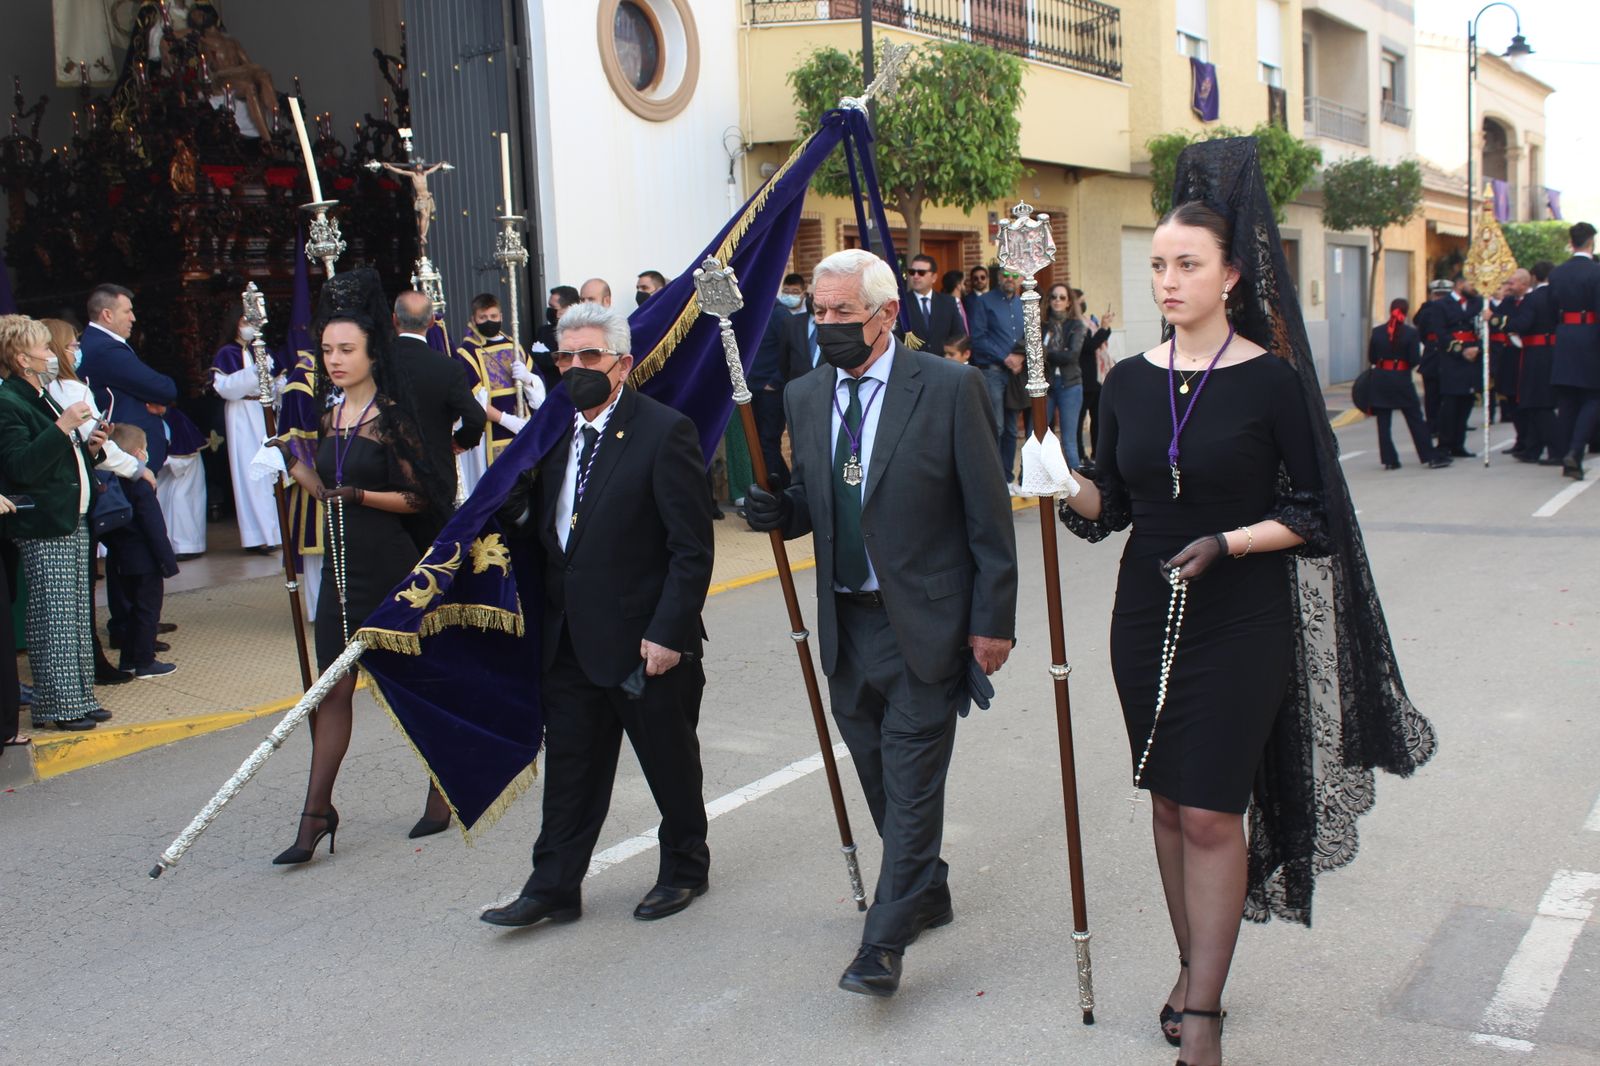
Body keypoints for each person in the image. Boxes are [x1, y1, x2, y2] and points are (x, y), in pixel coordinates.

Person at [1056, 145, 1437, 1066]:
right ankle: (1192, 970)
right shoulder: (1130, 380)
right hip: (1146, 615)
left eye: (1188, 264)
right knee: (1165, 802)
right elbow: (1117, 506)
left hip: (1242, 612)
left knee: (1212, 812)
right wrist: (1059, 485)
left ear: (1232, 275)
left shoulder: (1270, 379)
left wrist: (1230, 542)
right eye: (1158, 264)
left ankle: (1208, 1015)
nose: (1169, 279)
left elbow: (1315, 514)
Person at [744, 248, 1018, 999]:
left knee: (913, 781)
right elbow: (818, 497)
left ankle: (883, 944)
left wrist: (994, 623)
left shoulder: (951, 387)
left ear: (887, 314)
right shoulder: (805, 394)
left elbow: (989, 519)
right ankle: (926, 887)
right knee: (878, 778)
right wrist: (785, 510)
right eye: (818, 313)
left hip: (925, 623)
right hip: (848, 624)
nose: (826, 326)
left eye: (842, 314)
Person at [481, 302, 715, 930]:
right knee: (572, 773)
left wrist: (668, 632)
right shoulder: (551, 434)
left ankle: (685, 867)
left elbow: (691, 549)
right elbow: (552, 531)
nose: (576, 367)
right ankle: (554, 886)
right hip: (569, 642)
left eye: (590, 356)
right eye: (566, 357)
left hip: (645, 644)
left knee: (668, 760)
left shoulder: (665, 432)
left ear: (622, 364)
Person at [265, 269, 458, 861]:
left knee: (419, 690)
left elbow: (420, 497)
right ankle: (316, 814)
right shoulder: (328, 418)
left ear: (374, 350)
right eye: (327, 350)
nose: (335, 360)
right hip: (339, 579)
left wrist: (362, 498)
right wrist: (291, 466)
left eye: (346, 349)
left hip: (391, 573)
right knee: (332, 692)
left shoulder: (394, 417)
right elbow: (328, 489)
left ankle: (443, 784)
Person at [0, 315, 111, 731]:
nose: (52, 357)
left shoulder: (40, 395)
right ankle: (57, 705)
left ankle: (80, 697)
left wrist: (92, 449)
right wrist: (64, 427)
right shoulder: (9, 401)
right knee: (54, 616)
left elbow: (57, 456)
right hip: (44, 522)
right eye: (45, 350)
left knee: (76, 614)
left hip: (69, 515)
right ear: (21, 358)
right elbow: (20, 465)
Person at [40, 317, 151, 683]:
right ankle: (89, 666)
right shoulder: (70, 390)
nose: (75, 350)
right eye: (71, 345)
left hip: (71, 494)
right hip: (71, 501)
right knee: (73, 596)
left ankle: (83, 666)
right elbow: (94, 447)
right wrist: (135, 467)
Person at [391, 290, 487, 541]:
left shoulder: (377, 365)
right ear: (432, 322)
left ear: (394, 319)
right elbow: (476, 417)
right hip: (437, 476)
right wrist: (460, 442)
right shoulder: (448, 367)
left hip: (387, 476)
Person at [100, 425, 179, 678]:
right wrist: (167, 562)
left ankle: (128, 659)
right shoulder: (141, 486)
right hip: (145, 561)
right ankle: (145, 661)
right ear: (138, 453)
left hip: (121, 559)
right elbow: (154, 527)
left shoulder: (112, 486)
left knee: (132, 611)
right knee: (147, 612)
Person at [77, 284, 176, 472]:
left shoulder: (99, 343)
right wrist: (156, 395)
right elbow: (164, 389)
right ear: (107, 314)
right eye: (127, 311)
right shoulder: (105, 349)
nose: (133, 318)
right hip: (127, 447)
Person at [453, 293, 545, 497]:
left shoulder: (515, 346)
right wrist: (506, 420)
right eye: (483, 317)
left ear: (501, 316)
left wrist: (528, 378)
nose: (489, 321)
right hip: (490, 435)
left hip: (522, 429)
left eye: (494, 316)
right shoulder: (467, 353)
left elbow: (540, 392)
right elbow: (474, 401)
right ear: (473, 319)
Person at [211, 312, 282, 554]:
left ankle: (277, 531)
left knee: (272, 469)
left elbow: (278, 380)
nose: (249, 328)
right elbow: (225, 388)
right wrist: (254, 372)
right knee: (250, 471)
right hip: (241, 413)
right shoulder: (226, 353)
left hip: (265, 412)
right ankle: (257, 536)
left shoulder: (262, 349)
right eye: (244, 322)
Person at [1367, 299, 1450, 471]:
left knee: (1383, 422)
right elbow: (1414, 360)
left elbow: (1372, 358)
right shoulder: (1411, 333)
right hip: (1401, 379)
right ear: (1406, 312)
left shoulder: (1377, 332)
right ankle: (1428, 456)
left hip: (1381, 379)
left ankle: (1389, 460)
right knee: (1415, 419)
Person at [1547, 221, 1600, 480]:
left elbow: (1550, 310)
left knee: (1567, 402)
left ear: (1572, 242)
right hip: (1589, 337)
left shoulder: (1557, 273)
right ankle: (1575, 451)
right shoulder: (1596, 272)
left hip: (1564, 338)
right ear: (1591, 242)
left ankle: (1566, 455)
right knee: (1593, 397)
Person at [968, 268, 1027, 485]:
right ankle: (991, 481)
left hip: (1015, 375)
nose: (1009, 279)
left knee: (1011, 429)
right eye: (1006, 275)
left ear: (1020, 279)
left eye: (1014, 276)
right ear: (999, 277)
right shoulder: (985, 301)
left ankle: (1007, 478)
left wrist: (1019, 357)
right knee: (997, 427)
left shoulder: (1022, 303)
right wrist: (1005, 357)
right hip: (992, 372)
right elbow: (978, 337)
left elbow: (1029, 335)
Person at [1507, 260, 1562, 465]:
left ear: (1535, 277)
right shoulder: (1558, 295)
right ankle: (1533, 448)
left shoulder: (1534, 298)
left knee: (1539, 403)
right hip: (1556, 351)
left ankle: (1557, 450)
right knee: (1536, 403)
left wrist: (1499, 321)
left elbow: (1523, 323)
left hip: (1537, 354)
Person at [1434, 279, 1483, 458]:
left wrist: (1478, 347)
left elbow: (1480, 328)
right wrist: (1461, 350)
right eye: (1471, 284)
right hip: (1453, 359)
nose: (1474, 289)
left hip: (1472, 357)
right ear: (1461, 284)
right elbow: (1440, 333)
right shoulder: (1442, 305)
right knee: (1451, 404)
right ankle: (1445, 443)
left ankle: (1458, 444)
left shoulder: (1476, 304)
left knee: (1466, 402)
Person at [1044, 283, 1087, 464]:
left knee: (1069, 440)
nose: (1057, 301)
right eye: (1054, 297)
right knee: (1038, 435)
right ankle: (1029, 479)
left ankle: (1076, 487)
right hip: (1046, 384)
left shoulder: (1076, 325)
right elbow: (1033, 351)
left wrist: (1047, 353)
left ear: (1069, 302)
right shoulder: (1042, 325)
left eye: (1062, 298)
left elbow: (1072, 355)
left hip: (1070, 384)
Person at [1411, 279, 1453, 437]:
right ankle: (1432, 425)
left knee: (1448, 396)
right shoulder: (1427, 309)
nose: (1440, 297)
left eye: (1444, 295)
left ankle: (1446, 426)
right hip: (1432, 356)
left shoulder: (1453, 308)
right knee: (1431, 395)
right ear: (1432, 295)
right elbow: (1421, 331)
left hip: (1449, 356)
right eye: (1438, 295)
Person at [901, 254, 961, 355]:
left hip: (942, 364)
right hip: (912, 365)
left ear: (934, 277)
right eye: (912, 272)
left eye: (921, 272)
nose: (915, 276)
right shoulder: (901, 303)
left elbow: (958, 336)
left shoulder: (949, 303)